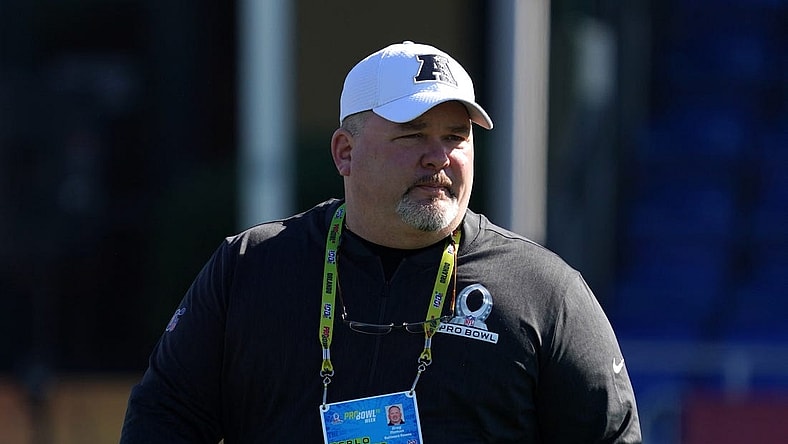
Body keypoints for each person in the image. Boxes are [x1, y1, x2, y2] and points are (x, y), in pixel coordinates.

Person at [120, 41, 641, 443]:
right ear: (345, 152)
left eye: (456, 136)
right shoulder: (250, 268)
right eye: (413, 134)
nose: (439, 156)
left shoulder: (545, 290)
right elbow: (163, 420)